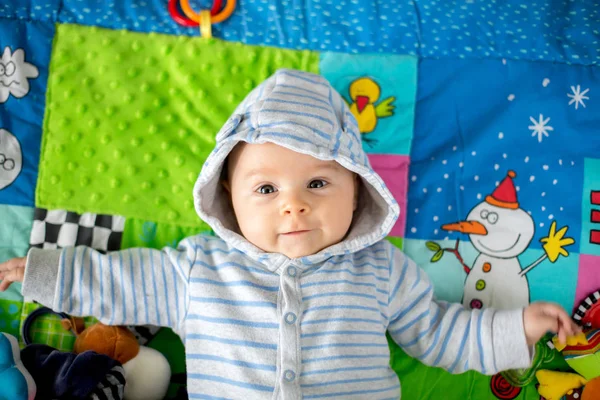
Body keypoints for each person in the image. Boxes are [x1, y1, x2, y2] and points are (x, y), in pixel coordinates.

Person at [0, 69, 579, 399]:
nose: (295, 206)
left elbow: (438, 332)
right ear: (229, 197)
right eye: (267, 190)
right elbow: (120, 283)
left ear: (360, 190)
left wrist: (514, 330)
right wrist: (51, 273)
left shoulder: (381, 270)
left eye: (320, 183)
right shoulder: (198, 268)